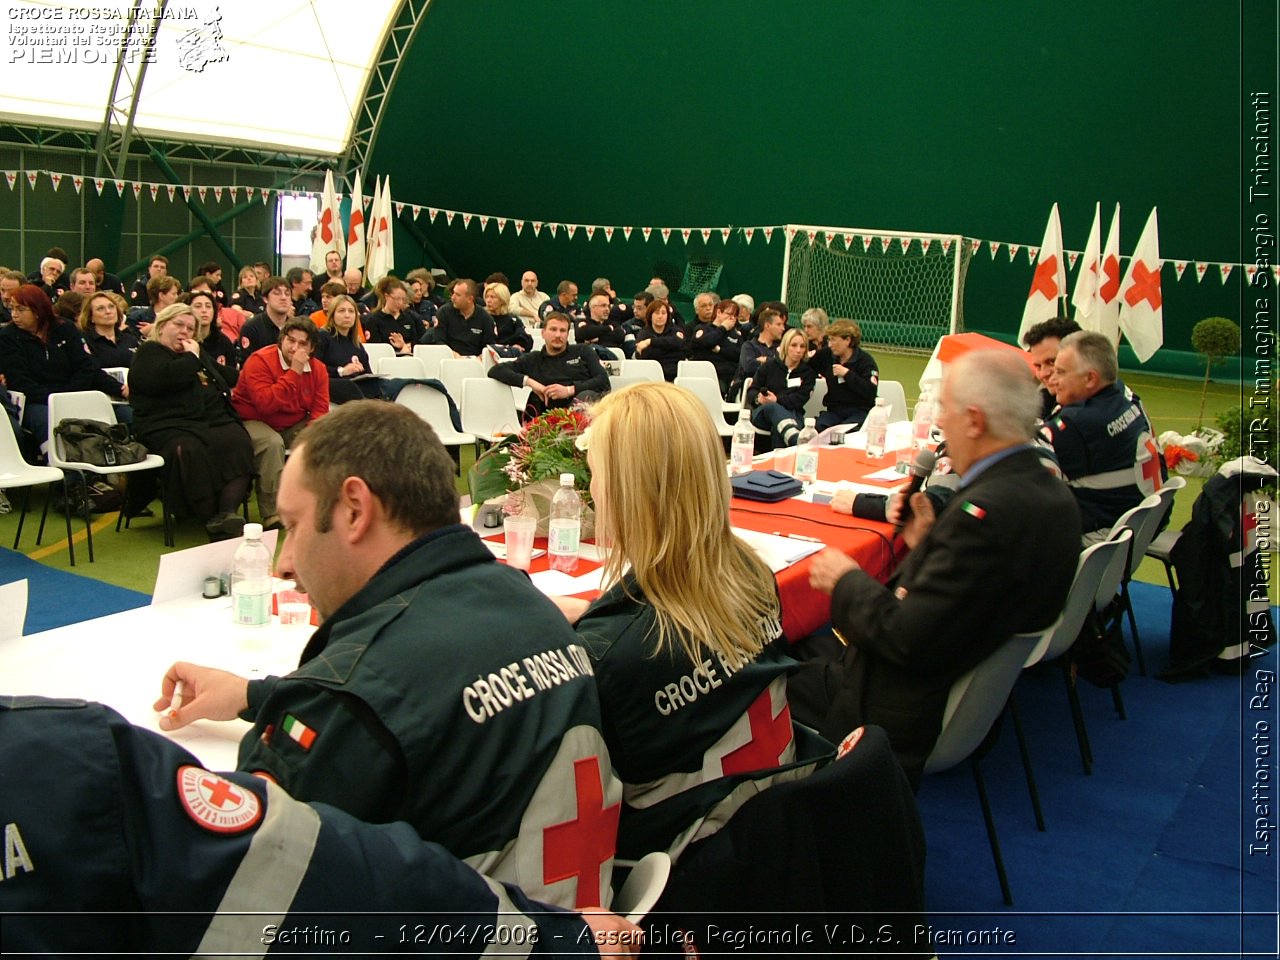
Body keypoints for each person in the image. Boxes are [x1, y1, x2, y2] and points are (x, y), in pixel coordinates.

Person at [154, 402, 620, 910]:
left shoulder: (352, 697)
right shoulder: (528, 603)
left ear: (354, 509)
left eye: (293, 524)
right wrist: (255, 694)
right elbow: (431, 693)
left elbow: (241, 886)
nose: (284, 562)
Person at [0, 696, 640, 957]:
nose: (284, 558)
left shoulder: (61, 760)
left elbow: (317, 868)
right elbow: (345, 879)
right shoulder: (67, 760)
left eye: (295, 523)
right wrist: (559, 940)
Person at [555, 381, 828, 861]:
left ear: (626, 489)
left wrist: (598, 632)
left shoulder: (611, 655)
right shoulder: (753, 572)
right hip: (775, 821)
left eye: (595, 473)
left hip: (689, 868)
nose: (591, 487)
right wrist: (601, 616)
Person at [789, 350, 1081, 787]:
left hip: (898, 701)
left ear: (975, 421)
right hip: (959, 686)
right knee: (805, 645)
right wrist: (927, 545)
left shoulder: (984, 514)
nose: (940, 422)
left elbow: (905, 638)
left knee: (758, 669)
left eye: (945, 409)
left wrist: (845, 579)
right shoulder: (1052, 497)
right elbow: (973, 594)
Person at [128, 303, 254, 540]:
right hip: (164, 426)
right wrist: (192, 357)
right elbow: (169, 377)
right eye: (178, 325)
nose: (185, 332)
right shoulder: (150, 353)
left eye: (190, 328)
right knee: (187, 449)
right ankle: (208, 518)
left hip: (204, 421)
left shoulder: (195, 355)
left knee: (236, 440)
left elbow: (225, 375)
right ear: (162, 326)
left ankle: (226, 513)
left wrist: (250, 374)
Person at [1043, 329, 1165, 541]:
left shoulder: (1076, 424)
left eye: (1061, 372)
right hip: (1139, 525)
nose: (1053, 380)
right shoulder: (1124, 395)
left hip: (1102, 536)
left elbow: (1022, 468)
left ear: (1090, 378)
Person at [230, 318, 330, 529]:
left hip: (293, 421)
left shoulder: (318, 369)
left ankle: (320, 505)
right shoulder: (260, 361)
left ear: (312, 348)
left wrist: (313, 436)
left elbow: (320, 409)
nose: (295, 348)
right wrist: (294, 371)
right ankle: (272, 513)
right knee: (272, 443)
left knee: (326, 439)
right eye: (290, 341)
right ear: (281, 340)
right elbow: (266, 404)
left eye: (303, 344)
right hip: (252, 419)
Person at [0, 285, 99, 447]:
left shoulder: (64, 328)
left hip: (73, 393)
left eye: (20, 309)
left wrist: (68, 394)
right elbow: (19, 380)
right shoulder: (8, 337)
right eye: (12, 309)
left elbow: (85, 366)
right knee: (46, 419)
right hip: (35, 401)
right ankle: (59, 465)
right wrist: (53, 398)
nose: (14, 314)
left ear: (37, 311)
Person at [488, 313, 610, 418]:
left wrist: (569, 390)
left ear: (568, 335)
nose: (558, 335)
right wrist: (531, 383)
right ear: (543, 333)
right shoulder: (533, 359)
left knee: (585, 397)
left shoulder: (583, 351)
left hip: (583, 413)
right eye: (553, 329)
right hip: (546, 416)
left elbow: (603, 381)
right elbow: (496, 370)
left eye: (562, 331)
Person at [746, 327, 816, 447]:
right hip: (764, 414)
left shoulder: (808, 374)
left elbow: (799, 400)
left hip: (793, 415)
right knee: (773, 407)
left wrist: (777, 399)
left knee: (778, 429)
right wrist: (759, 398)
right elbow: (752, 390)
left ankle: (779, 463)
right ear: (785, 346)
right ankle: (795, 440)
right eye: (793, 345)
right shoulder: (769, 366)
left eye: (802, 346)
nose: (798, 350)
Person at [811, 318, 879, 430]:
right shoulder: (827, 355)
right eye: (829, 340)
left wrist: (847, 374)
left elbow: (870, 391)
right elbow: (808, 365)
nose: (830, 344)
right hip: (834, 411)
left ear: (847, 340)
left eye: (833, 340)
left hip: (859, 412)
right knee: (818, 429)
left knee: (847, 433)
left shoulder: (866, 361)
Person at [316, 293, 378, 403]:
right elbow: (315, 369)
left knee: (385, 384)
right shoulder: (322, 336)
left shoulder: (356, 343)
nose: (347, 315)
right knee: (348, 386)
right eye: (341, 311)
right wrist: (342, 371)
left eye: (351, 311)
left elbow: (368, 372)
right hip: (330, 383)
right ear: (332, 314)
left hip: (355, 385)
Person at [1022, 316, 1082, 418]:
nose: (1043, 374)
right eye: (1038, 366)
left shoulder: (1085, 415)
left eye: (1052, 362)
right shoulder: (1045, 400)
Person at [686, 297, 744, 398]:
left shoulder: (736, 335)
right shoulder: (703, 328)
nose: (732, 318)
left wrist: (719, 350)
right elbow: (707, 342)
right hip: (705, 376)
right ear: (718, 312)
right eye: (729, 314)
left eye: (735, 316)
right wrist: (723, 328)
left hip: (728, 376)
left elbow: (738, 354)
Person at [78, 290, 139, 375]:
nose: (108, 311)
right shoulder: (85, 341)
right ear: (90, 317)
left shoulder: (130, 339)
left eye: (111, 307)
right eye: (100, 308)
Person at [430, 278, 496, 356]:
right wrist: (452, 354)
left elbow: (489, 346)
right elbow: (438, 340)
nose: (453, 298)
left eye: (457, 295)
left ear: (470, 299)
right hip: (448, 358)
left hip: (475, 361)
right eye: (453, 293)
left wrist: (480, 358)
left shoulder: (485, 318)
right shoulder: (444, 312)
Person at [731, 306, 785, 400]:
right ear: (767, 325)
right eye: (779, 324)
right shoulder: (749, 346)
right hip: (752, 392)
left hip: (777, 392)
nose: (783, 328)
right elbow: (749, 366)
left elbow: (784, 366)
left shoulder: (781, 348)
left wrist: (765, 360)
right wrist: (773, 362)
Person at [187, 289, 239, 385]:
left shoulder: (224, 342)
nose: (204, 310)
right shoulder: (184, 340)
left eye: (208, 306)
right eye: (198, 306)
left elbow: (233, 377)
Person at [236, 275, 293, 362]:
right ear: (265, 299)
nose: (283, 298)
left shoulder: (296, 327)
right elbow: (249, 365)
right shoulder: (251, 328)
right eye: (277, 293)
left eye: (287, 294)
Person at [363, 277, 423, 353]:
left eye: (403, 299)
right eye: (397, 299)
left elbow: (416, 341)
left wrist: (404, 345)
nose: (400, 303)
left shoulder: (409, 318)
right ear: (386, 296)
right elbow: (374, 347)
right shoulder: (374, 320)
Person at [632, 298, 685, 381]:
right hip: (650, 377)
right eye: (657, 313)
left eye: (663, 313)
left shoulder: (676, 330)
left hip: (675, 375)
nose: (660, 316)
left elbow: (678, 343)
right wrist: (669, 348)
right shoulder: (644, 333)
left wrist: (650, 342)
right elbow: (644, 355)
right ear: (650, 315)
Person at [484, 281, 534, 353]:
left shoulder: (512, 320)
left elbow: (527, 340)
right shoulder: (482, 318)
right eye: (487, 297)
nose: (488, 300)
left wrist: (517, 345)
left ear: (502, 300)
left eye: (492, 297)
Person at [575, 291, 626, 357]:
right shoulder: (581, 321)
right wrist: (609, 328)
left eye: (608, 306)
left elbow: (620, 336)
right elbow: (583, 333)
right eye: (603, 306)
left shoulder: (613, 323)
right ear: (592, 307)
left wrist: (597, 337)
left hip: (612, 357)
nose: (607, 309)